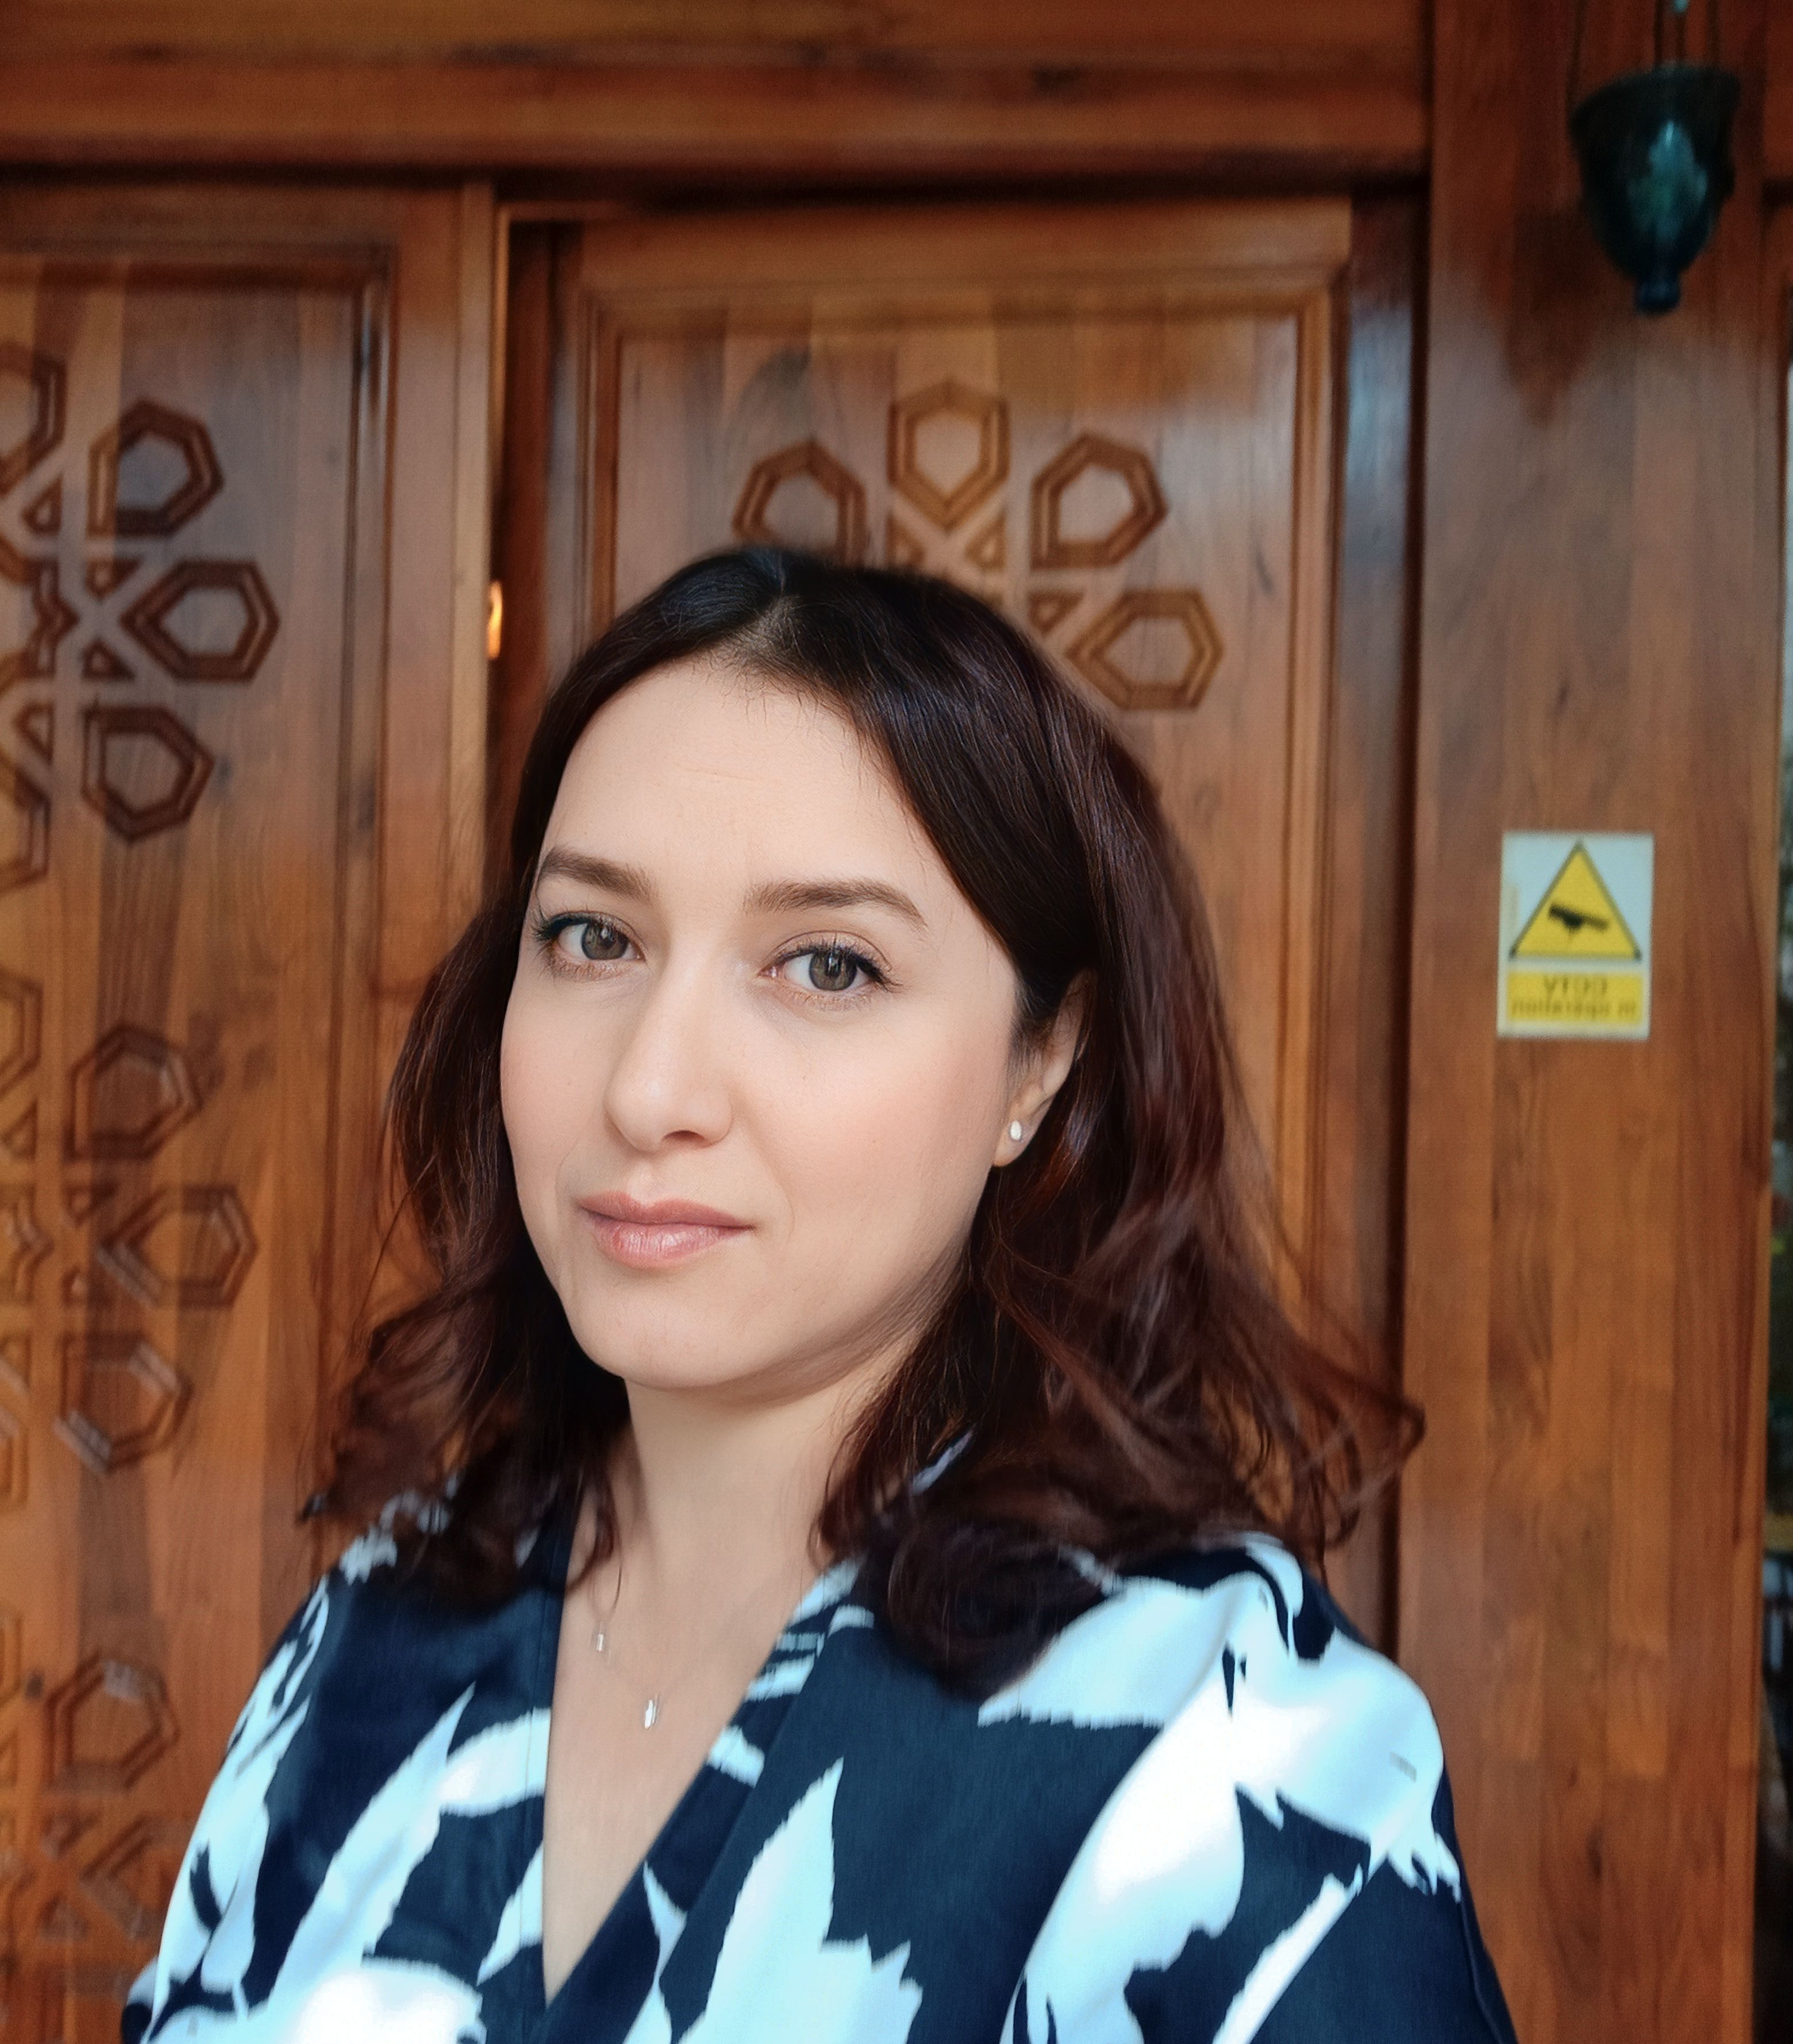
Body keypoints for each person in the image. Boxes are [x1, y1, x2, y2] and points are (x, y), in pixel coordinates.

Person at [122, 548, 1517, 2044]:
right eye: (594, 937)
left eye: (828, 968)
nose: (651, 1089)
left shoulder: (1224, 1751)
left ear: (1041, 1065)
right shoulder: (386, 1619)